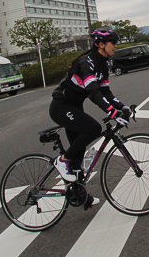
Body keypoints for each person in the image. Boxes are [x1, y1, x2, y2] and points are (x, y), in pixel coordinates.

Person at [49, 28, 131, 207]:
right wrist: (111, 111)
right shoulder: (87, 62)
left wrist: (121, 106)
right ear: (101, 44)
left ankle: (80, 196)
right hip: (61, 106)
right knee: (93, 129)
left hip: (74, 107)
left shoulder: (103, 62)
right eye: (113, 43)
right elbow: (92, 91)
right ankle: (61, 161)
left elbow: (105, 91)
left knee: (78, 155)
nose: (116, 46)